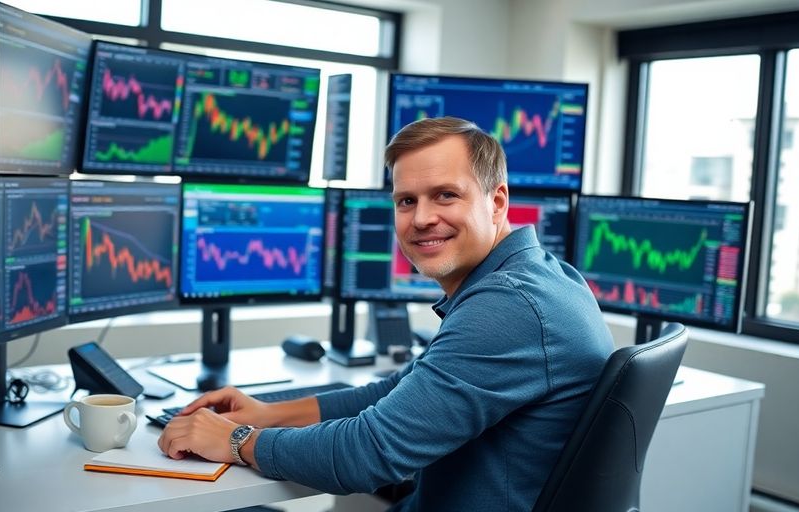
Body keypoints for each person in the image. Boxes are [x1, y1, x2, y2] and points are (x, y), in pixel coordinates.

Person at [157, 116, 614, 511]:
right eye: (406, 201)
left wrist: (235, 442)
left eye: (446, 195)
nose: (420, 219)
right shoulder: (541, 274)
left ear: (497, 202)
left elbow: (368, 454)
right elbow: (402, 389)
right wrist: (268, 413)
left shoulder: (508, 307)